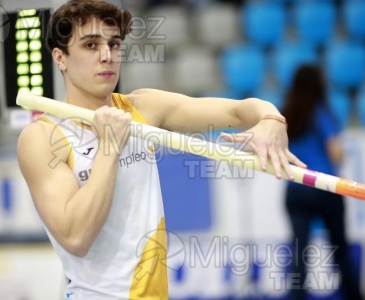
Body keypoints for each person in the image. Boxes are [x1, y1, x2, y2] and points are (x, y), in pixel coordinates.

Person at [17, 1, 305, 299]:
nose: (107, 56)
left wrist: (271, 119)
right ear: (60, 57)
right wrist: (109, 147)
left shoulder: (143, 108)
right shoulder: (42, 137)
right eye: (91, 45)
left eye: (114, 44)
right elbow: (76, 237)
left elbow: (238, 111)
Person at [281, 64, 364, 300]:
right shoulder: (320, 112)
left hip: (295, 188)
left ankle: (297, 296)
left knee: (300, 251)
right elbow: (335, 152)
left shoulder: (286, 114)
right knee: (340, 248)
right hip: (324, 187)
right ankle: (354, 295)